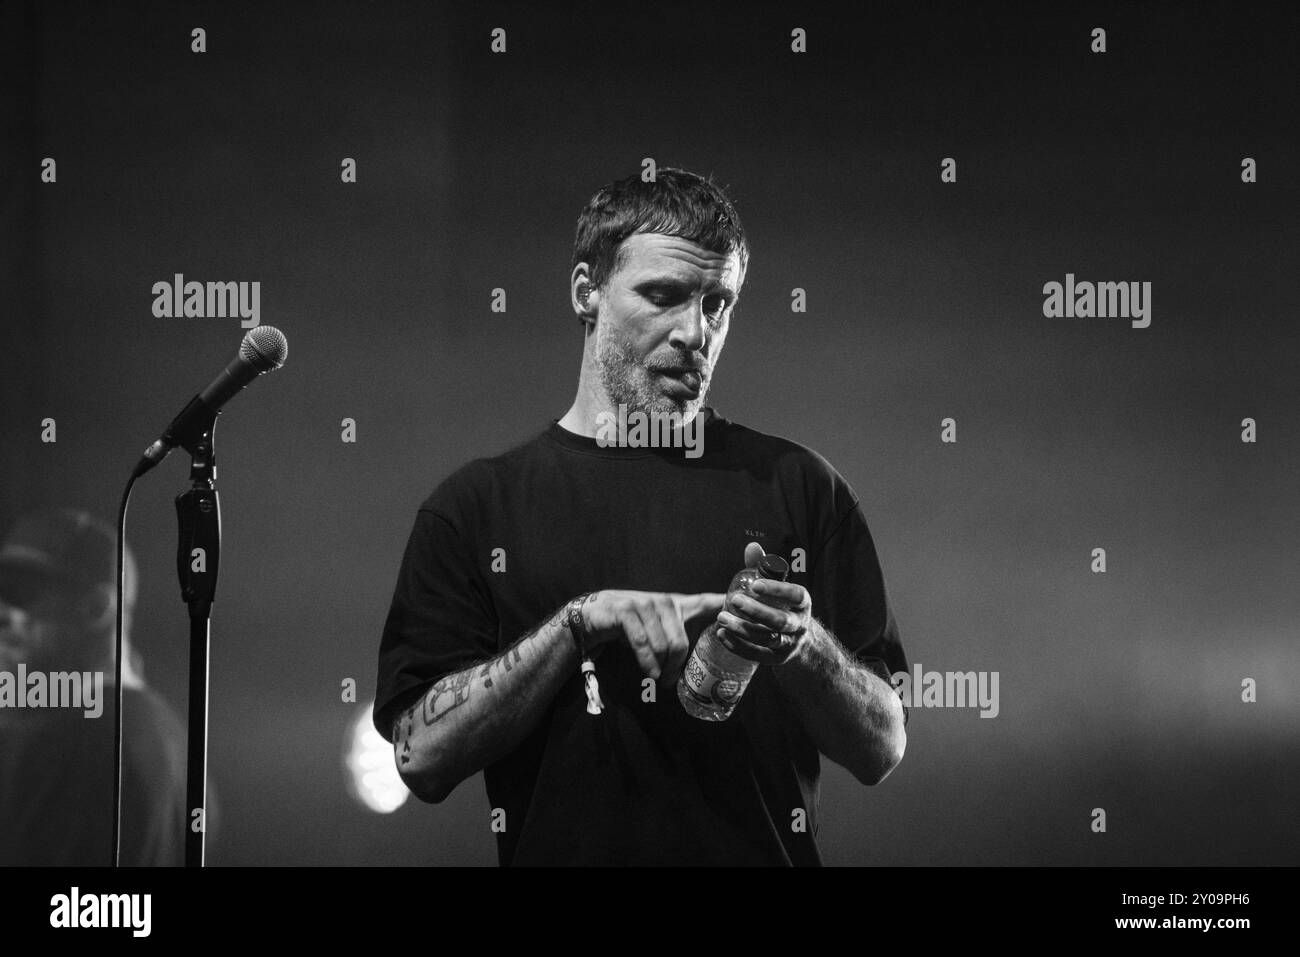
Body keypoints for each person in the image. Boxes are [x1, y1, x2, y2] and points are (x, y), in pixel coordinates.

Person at [374, 167, 909, 865]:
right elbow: (420, 756)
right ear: (586, 292)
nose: (696, 331)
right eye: (664, 296)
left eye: (719, 302)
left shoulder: (800, 486)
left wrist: (800, 643)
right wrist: (577, 625)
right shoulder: (475, 508)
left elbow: (883, 745)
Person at [0, 508, 188, 866]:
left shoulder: (74, 737)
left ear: (97, 607)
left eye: (20, 593)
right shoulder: (174, 737)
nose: (3, 614)